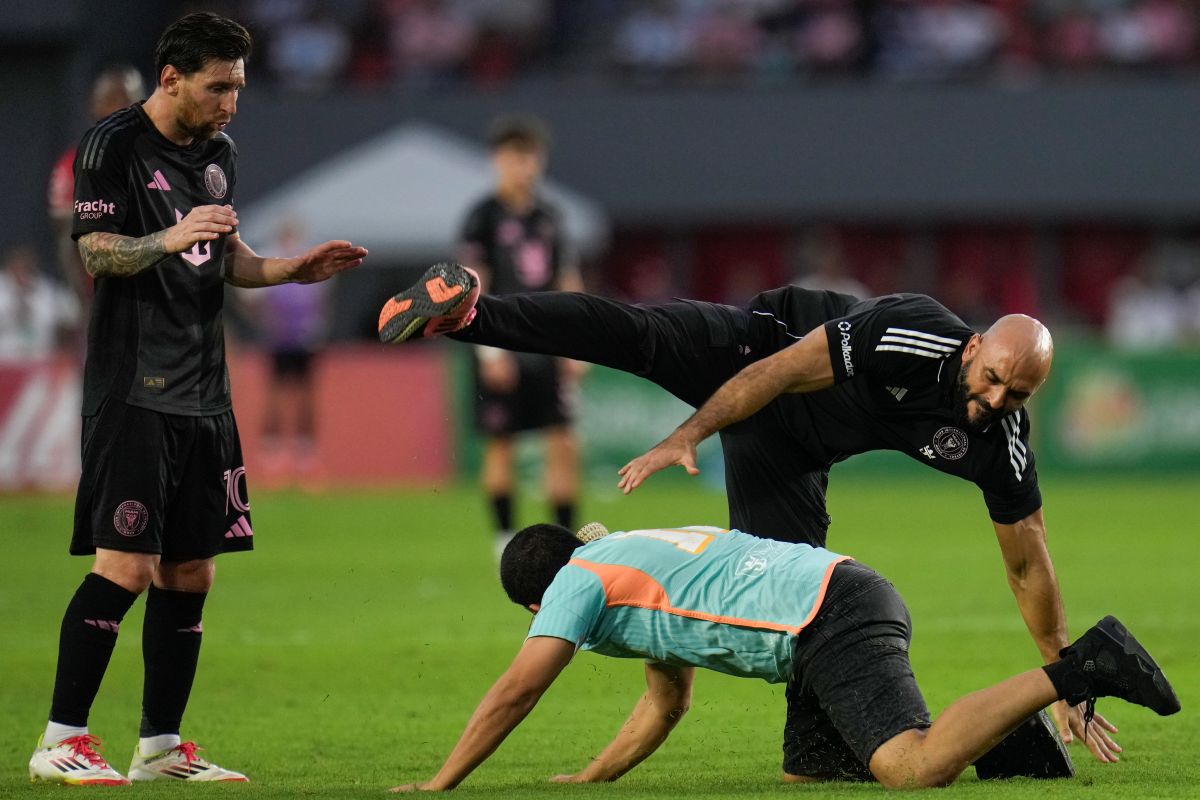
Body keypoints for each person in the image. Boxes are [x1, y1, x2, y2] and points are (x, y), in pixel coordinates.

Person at [376, 263, 1116, 762]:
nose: (993, 402)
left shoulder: (1002, 443)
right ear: (975, 346)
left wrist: (1065, 675)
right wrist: (690, 433)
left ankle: (822, 761)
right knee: (638, 337)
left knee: (792, 607)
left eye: (1015, 396)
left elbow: (1027, 561)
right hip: (757, 352)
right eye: (990, 379)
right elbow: (776, 373)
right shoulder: (909, 334)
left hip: (789, 456)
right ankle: (471, 313)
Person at [28, 12, 367, 786]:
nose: (232, 103)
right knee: (126, 564)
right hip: (134, 389)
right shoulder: (111, 146)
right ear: (172, 77)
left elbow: (226, 257)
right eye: (220, 87)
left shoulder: (218, 154)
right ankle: (61, 737)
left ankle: (161, 746)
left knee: (191, 573)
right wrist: (169, 238)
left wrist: (288, 270)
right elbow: (98, 254)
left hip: (205, 394)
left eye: (239, 88)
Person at [390, 523, 1179, 791]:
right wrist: (593, 778)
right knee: (812, 773)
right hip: (831, 600)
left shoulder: (572, 583)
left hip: (824, 617)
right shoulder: (620, 560)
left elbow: (515, 692)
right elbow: (667, 699)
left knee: (908, 769)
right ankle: (1013, 741)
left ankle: (1081, 666)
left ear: (535, 604)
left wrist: (439, 783)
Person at [456, 115, 585, 559]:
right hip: (503, 342)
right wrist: (489, 353)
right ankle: (503, 540)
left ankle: (566, 544)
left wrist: (581, 343)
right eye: (514, 157)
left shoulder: (551, 216)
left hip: (549, 345)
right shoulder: (482, 217)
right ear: (497, 161)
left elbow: (569, 277)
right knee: (500, 443)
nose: (523, 166)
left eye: (530, 157)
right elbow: (475, 283)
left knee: (564, 441)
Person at [48, 65, 146, 339]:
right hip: (105, 303)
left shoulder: (160, 163)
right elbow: (67, 243)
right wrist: (87, 304)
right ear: (95, 107)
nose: (124, 108)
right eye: (114, 99)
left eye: (131, 98)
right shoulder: (73, 165)